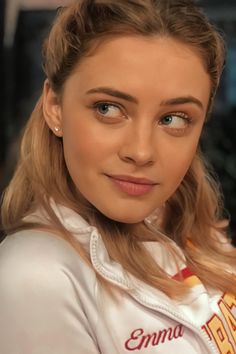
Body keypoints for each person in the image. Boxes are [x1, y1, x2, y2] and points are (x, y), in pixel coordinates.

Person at [0, 0, 235, 353]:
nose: (141, 152)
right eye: (108, 109)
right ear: (54, 107)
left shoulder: (189, 226)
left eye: (173, 118)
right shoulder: (36, 276)